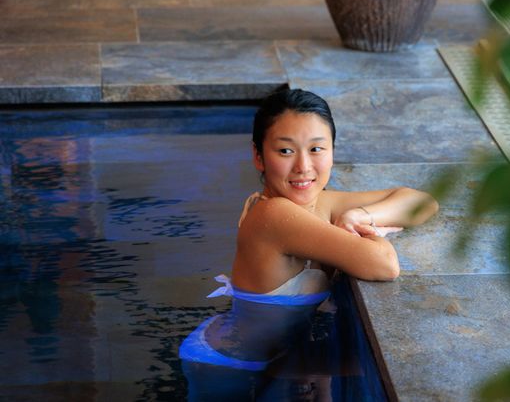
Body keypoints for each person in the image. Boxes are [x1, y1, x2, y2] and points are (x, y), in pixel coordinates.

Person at [180, 88, 439, 401]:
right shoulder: (274, 215)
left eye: (317, 149)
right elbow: (384, 265)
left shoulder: (320, 203)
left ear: (332, 151)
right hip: (230, 365)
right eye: (286, 151)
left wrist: (361, 214)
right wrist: (367, 233)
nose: (303, 166)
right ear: (258, 156)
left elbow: (422, 202)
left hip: (278, 355)